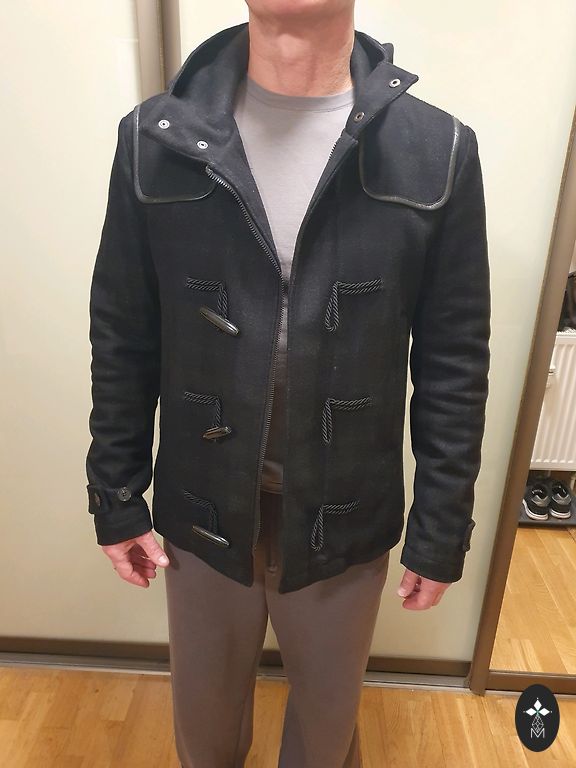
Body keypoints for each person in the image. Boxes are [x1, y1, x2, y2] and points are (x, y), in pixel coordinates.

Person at [86, 1, 491, 766]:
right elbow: (123, 332)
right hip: (202, 509)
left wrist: (442, 526)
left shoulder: (436, 149)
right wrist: (115, 494)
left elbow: (454, 361)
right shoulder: (154, 139)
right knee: (204, 738)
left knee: (326, 736)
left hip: (347, 516)